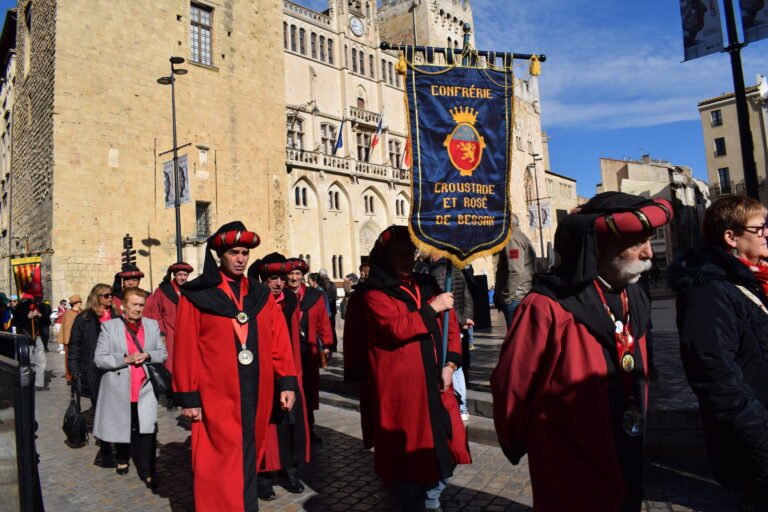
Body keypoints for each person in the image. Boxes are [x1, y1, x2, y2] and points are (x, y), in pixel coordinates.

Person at [491, 192, 673, 511]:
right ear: (598, 246)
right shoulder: (546, 309)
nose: (649, 253)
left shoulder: (635, 297)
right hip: (570, 467)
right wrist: (525, 439)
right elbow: (513, 389)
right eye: (637, 243)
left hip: (625, 454)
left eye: (649, 240)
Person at [173, 221, 297, 512]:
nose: (241, 259)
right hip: (216, 395)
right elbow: (186, 347)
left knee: (249, 456)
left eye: (245, 253)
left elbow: (278, 340)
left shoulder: (260, 295)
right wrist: (188, 396)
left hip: (257, 391)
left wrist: (287, 381)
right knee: (216, 462)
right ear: (221, 255)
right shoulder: (196, 295)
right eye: (234, 253)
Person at [345, 225, 471, 512]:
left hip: (436, 385)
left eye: (410, 252)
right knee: (408, 462)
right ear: (385, 256)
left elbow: (450, 328)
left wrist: (450, 364)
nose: (406, 259)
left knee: (444, 449)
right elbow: (393, 328)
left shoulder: (427, 285)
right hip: (402, 393)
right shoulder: (373, 293)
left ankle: (432, 501)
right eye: (399, 254)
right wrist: (431, 309)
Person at [669, 195, 768, 510]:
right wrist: (758, 429)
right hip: (753, 440)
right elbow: (713, 372)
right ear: (731, 237)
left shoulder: (752, 279)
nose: (767, 233)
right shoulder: (707, 292)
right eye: (760, 228)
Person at [249, 253, 310, 501]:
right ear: (263, 280)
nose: (278, 284)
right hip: (262, 371)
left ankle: (290, 471)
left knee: (290, 424)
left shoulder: (292, 302)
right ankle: (263, 477)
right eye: (272, 278)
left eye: (281, 279)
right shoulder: (254, 303)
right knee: (267, 426)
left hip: (289, 370)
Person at [93, 287, 167, 491]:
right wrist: (124, 359)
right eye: (134, 304)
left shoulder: (151, 326)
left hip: (145, 387)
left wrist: (148, 355)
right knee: (123, 423)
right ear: (123, 305)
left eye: (141, 305)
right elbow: (99, 359)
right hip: (119, 386)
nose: (138, 309)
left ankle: (150, 470)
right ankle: (123, 456)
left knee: (148, 430)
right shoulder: (110, 327)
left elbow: (163, 353)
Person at [68, 283, 119, 468]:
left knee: (115, 407)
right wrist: (73, 369)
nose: (110, 298)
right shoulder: (84, 318)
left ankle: (116, 441)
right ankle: (105, 449)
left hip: (115, 368)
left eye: (111, 295)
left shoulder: (116, 316)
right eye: (106, 295)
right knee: (101, 408)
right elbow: (75, 345)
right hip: (94, 370)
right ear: (96, 297)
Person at [285, 256, 332, 443]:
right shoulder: (282, 296)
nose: (294, 278)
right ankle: (290, 431)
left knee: (309, 391)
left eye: (297, 274)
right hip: (288, 352)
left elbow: (323, 323)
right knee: (290, 390)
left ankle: (308, 429)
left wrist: (327, 344)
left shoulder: (314, 297)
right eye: (291, 274)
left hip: (308, 351)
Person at [428, 256, 474, 421]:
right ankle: (462, 407)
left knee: (454, 367)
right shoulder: (457, 269)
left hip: (450, 324)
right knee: (458, 367)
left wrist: (460, 320)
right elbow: (467, 296)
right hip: (459, 323)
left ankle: (460, 406)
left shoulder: (437, 271)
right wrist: (467, 318)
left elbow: (444, 303)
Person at [143, 261, 193, 375]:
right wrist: (161, 332)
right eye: (180, 274)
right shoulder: (163, 291)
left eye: (185, 275)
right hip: (169, 332)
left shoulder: (191, 290)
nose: (182, 278)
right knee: (170, 363)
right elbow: (155, 312)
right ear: (174, 275)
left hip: (187, 333)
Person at [494, 212, 537, 329]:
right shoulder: (522, 237)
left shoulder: (513, 240)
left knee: (516, 338)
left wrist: (506, 296)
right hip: (520, 295)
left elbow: (515, 271)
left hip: (515, 297)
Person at [13, 269, 50, 390]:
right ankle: (25, 382)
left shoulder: (42, 306)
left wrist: (39, 315)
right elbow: (15, 322)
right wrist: (27, 317)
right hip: (26, 337)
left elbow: (47, 322)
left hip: (38, 337)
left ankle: (39, 383)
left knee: (41, 361)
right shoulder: (21, 307)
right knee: (25, 361)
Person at [58, 294, 83, 383]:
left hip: (80, 340)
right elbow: (66, 327)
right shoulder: (68, 314)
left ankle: (79, 375)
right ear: (75, 303)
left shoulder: (82, 312)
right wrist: (65, 339)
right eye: (79, 301)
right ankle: (69, 377)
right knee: (68, 358)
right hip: (69, 340)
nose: (81, 303)